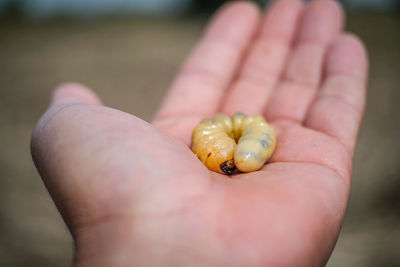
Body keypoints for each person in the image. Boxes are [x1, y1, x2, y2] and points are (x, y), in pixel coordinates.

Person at [31, 0, 368, 266]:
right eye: (235, 158)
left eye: (233, 159)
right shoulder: (217, 138)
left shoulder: (237, 138)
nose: (236, 162)